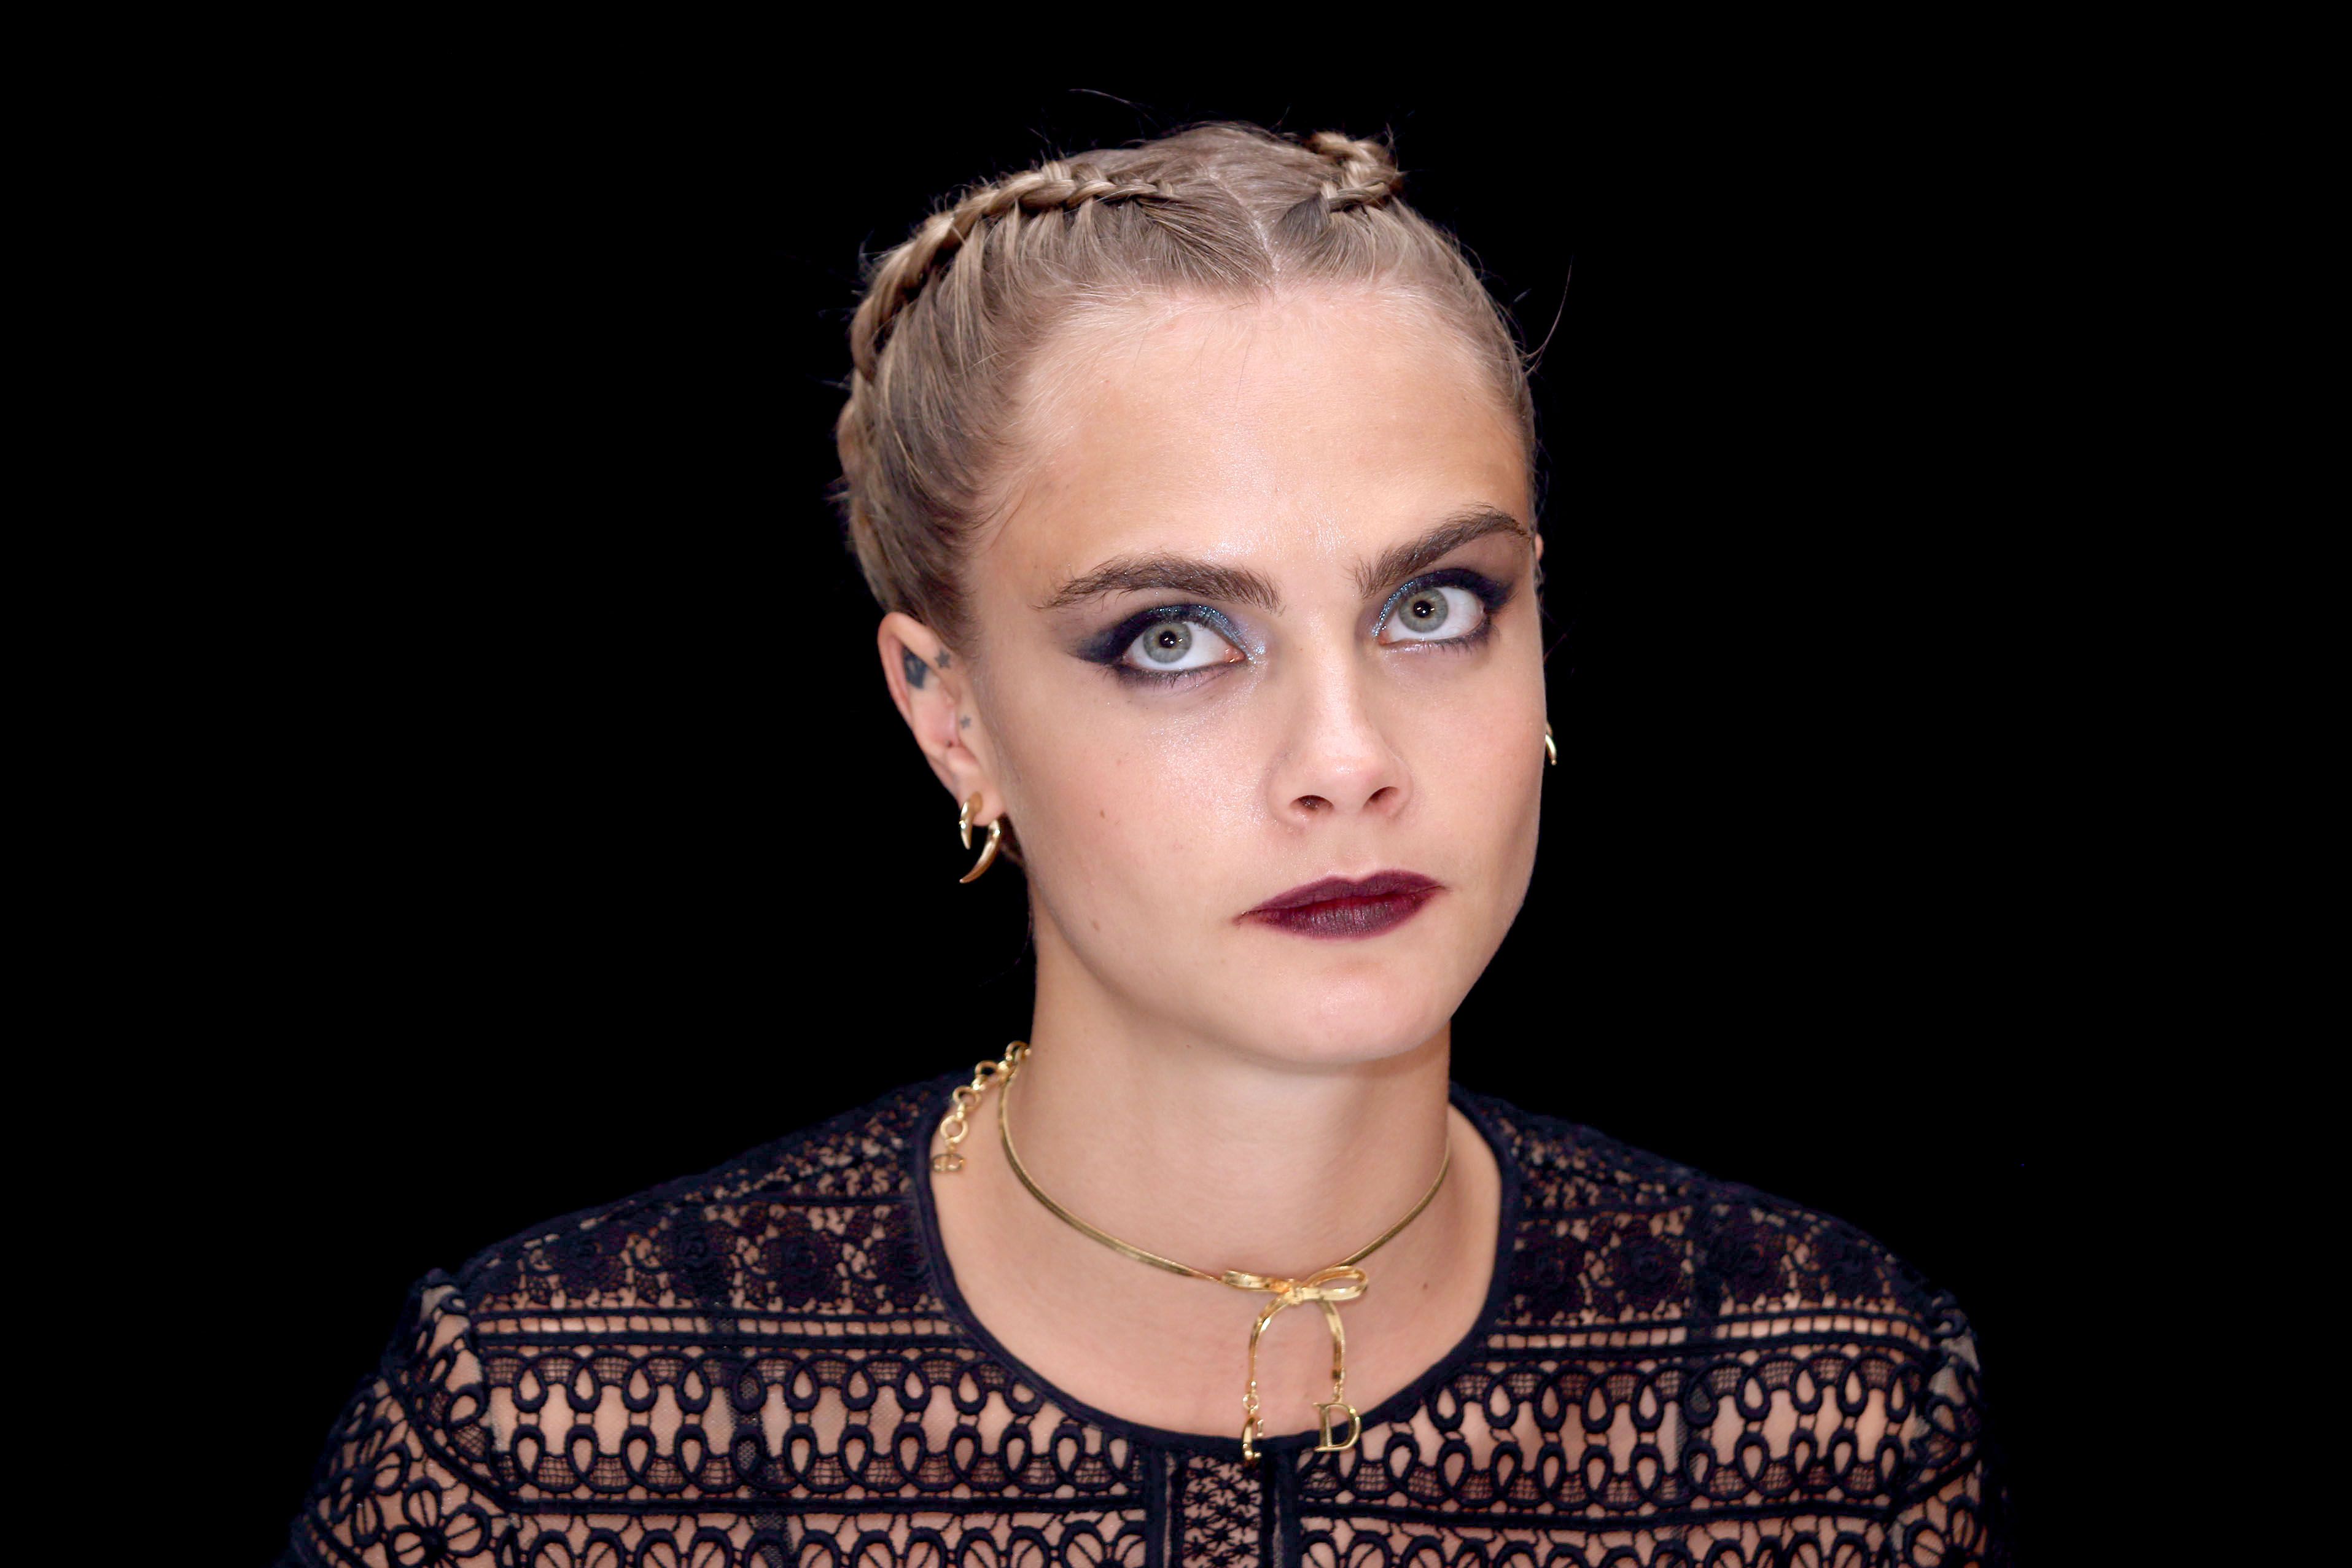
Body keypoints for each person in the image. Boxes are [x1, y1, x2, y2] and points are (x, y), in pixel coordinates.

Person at [279, 121, 2012, 1567]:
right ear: (948, 711)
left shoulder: (1829, 1402)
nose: (1347, 762)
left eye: (1431, 604)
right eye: (1175, 636)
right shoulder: (550, 1428)